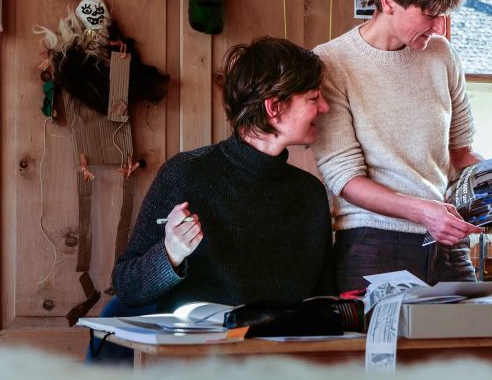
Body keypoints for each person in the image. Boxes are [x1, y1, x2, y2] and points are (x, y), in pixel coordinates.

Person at [312, 0, 483, 293]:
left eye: (445, 16)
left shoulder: (442, 55)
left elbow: (462, 154)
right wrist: (423, 212)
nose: (440, 28)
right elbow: (345, 180)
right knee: (380, 351)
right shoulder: (332, 62)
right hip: (372, 243)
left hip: (446, 242)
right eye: (430, 14)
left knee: (475, 346)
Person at [113, 37, 333, 312]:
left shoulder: (309, 194)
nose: (325, 107)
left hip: (282, 351)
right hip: (195, 350)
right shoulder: (186, 173)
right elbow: (126, 286)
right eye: (314, 98)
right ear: (274, 107)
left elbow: (324, 298)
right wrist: (170, 254)